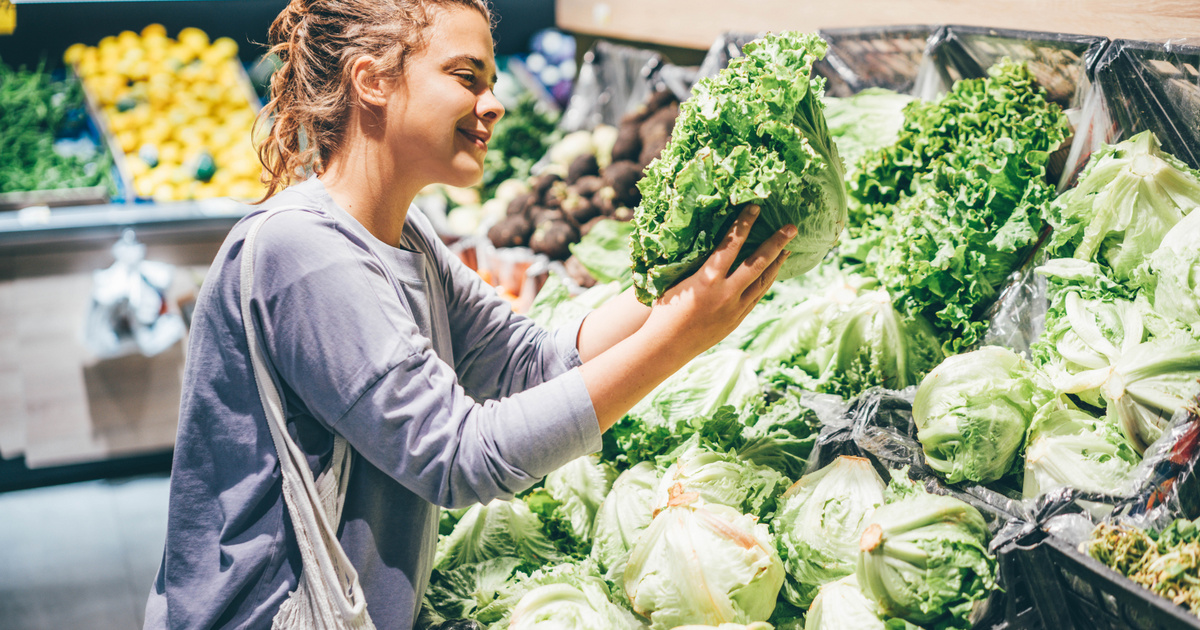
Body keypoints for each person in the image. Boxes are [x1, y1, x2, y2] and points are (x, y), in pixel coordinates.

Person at [143, 0, 796, 628]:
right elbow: (460, 457)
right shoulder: (306, 252)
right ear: (371, 81)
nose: (495, 102)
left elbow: (527, 362)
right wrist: (678, 340)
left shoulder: (405, 236)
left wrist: (690, 278)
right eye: (466, 77)